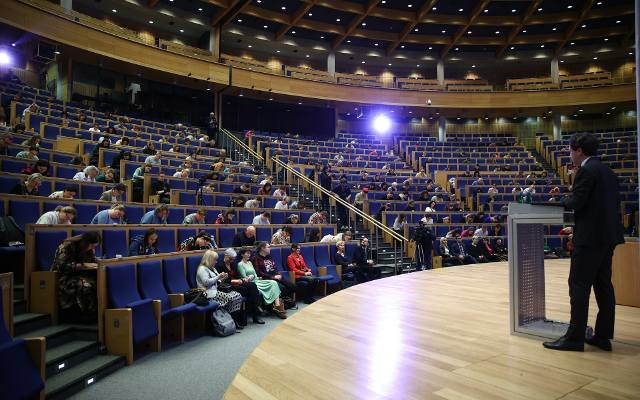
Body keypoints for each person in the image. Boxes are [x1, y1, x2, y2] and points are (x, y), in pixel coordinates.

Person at [543, 133, 624, 352]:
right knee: (603, 286)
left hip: (590, 238)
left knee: (578, 285)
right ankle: (603, 336)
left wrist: (562, 201)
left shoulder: (586, 170)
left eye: (570, 150)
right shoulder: (607, 171)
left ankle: (574, 338)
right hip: (608, 236)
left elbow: (577, 202)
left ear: (579, 150)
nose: (570, 155)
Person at [51, 231, 101, 323]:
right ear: (85, 242)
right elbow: (61, 266)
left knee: (99, 283)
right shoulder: (66, 246)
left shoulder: (88, 248)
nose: (93, 248)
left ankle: (94, 315)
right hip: (64, 276)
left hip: (81, 274)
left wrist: (98, 263)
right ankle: (83, 316)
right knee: (85, 285)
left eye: (95, 246)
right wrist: (82, 265)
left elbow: (92, 261)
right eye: (92, 246)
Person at [197, 250, 246, 329]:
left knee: (238, 295)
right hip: (208, 293)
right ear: (209, 259)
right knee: (231, 297)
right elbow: (206, 282)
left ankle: (233, 320)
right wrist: (218, 277)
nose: (216, 262)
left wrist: (223, 278)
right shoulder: (202, 269)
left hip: (216, 291)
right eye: (214, 260)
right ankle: (228, 321)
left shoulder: (213, 268)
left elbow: (217, 282)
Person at [217, 248, 265, 324]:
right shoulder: (219, 266)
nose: (232, 261)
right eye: (230, 259)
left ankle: (254, 313)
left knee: (252, 285)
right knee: (246, 290)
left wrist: (244, 278)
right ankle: (253, 312)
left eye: (233, 259)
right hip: (228, 285)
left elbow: (237, 275)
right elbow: (222, 281)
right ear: (226, 256)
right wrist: (236, 281)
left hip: (237, 282)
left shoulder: (233, 264)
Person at [236, 248, 286, 319]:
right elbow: (245, 278)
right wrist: (253, 277)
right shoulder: (240, 264)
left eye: (249, 253)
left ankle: (277, 305)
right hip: (251, 283)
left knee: (273, 282)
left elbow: (255, 274)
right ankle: (275, 307)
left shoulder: (249, 262)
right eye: (247, 253)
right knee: (269, 284)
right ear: (242, 254)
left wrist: (256, 277)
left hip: (256, 280)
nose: (249, 255)